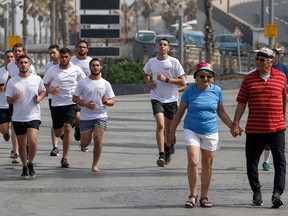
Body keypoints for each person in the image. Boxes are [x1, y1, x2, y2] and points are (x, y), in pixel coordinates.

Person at [168, 62, 238, 208]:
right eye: (202, 76)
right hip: (191, 129)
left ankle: (204, 197)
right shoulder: (189, 91)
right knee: (193, 161)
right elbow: (180, 112)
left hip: (210, 131)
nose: (205, 79)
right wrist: (171, 133)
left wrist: (233, 126)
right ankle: (192, 195)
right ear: (196, 77)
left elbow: (221, 112)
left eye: (209, 76)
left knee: (207, 164)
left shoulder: (217, 91)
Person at [231, 47, 286, 208]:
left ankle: (277, 193)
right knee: (251, 163)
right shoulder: (248, 79)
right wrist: (235, 123)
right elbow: (241, 102)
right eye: (257, 59)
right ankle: (257, 192)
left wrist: (283, 118)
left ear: (271, 61)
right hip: (255, 129)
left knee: (280, 162)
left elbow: (284, 98)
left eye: (262, 60)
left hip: (277, 129)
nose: (259, 62)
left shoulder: (281, 77)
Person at [143, 37, 186, 167]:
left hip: (172, 99)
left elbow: (182, 81)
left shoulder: (174, 62)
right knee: (160, 125)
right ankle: (161, 154)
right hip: (156, 97)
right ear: (156, 47)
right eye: (160, 44)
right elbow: (145, 74)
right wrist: (148, 83)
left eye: (165, 45)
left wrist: (167, 80)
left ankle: (168, 147)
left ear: (168, 48)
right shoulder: (151, 62)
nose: (162, 46)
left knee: (169, 130)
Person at [43, 47, 86, 168]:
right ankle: (66, 133)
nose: (63, 59)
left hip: (71, 103)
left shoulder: (76, 69)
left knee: (67, 128)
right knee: (57, 133)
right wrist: (51, 91)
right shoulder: (52, 70)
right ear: (59, 57)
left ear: (70, 57)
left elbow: (83, 83)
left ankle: (65, 157)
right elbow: (44, 84)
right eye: (62, 57)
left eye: (66, 57)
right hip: (56, 104)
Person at [5, 54, 46, 178]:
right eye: (21, 62)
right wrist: (14, 98)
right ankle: (24, 165)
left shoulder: (37, 79)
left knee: (33, 142)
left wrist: (39, 98)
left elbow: (43, 91)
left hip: (33, 115)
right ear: (17, 64)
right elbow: (8, 100)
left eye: (25, 62)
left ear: (30, 64)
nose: (23, 64)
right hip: (18, 117)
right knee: (22, 145)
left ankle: (31, 162)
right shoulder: (12, 81)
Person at [72, 58, 115, 172]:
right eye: (93, 65)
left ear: (101, 67)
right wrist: (85, 104)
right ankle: (79, 133)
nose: (95, 67)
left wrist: (106, 101)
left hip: (100, 116)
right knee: (85, 143)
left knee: (97, 139)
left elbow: (112, 101)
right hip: (86, 117)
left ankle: (94, 164)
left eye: (97, 65)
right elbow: (74, 98)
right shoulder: (83, 82)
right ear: (90, 67)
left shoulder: (105, 83)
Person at [261, 48, 288, 171]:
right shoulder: (260, 69)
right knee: (266, 142)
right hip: (263, 113)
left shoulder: (283, 68)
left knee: (275, 143)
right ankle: (265, 161)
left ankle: (272, 164)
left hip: (278, 108)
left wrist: (283, 114)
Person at [70, 40, 92, 146]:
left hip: (87, 94)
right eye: (79, 47)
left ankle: (84, 144)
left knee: (86, 120)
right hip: (74, 94)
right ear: (76, 48)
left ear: (87, 49)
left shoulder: (91, 62)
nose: (81, 49)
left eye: (83, 47)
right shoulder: (71, 61)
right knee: (78, 116)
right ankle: (77, 127)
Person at [0, 50, 19, 163]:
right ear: (4, 59)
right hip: (2, 104)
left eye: (12, 57)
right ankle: (5, 133)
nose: (10, 59)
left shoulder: (19, 70)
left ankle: (15, 151)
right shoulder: (1, 71)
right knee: (3, 129)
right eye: (8, 57)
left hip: (15, 104)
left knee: (15, 128)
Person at [44, 44, 61, 157]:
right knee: (55, 122)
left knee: (72, 120)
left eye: (54, 52)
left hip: (69, 100)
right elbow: (46, 83)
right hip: (53, 99)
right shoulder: (48, 66)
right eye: (50, 53)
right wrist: (51, 92)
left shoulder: (69, 65)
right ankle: (55, 147)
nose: (52, 55)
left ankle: (76, 129)